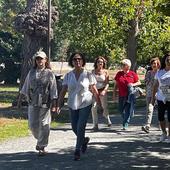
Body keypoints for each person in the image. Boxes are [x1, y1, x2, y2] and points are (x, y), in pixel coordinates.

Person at [56, 52, 102, 161]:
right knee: (74, 127)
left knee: (81, 126)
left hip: (85, 102)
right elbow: (63, 91)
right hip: (72, 103)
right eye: (75, 59)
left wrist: (99, 104)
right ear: (72, 62)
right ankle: (84, 140)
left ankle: (77, 150)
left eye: (79, 59)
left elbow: (94, 90)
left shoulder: (88, 75)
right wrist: (59, 104)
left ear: (83, 61)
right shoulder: (68, 75)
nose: (77, 61)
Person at [20, 50, 58, 156]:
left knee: (44, 124)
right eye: (37, 59)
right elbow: (26, 87)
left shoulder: (49, 73)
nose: (39, 61)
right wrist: (23, 98)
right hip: (33, 102)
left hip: (45, 103)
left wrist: (54, 104)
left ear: (45, 60)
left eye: (41, 59)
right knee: (32, 124)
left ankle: (42, 146)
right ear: (35, 61)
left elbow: (53, 89)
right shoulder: (31, 72)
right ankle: (40, 139)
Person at [113, 59, 141, 130]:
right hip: (121, 94)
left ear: (128, 66)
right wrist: (114, 94)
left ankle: (125, 123)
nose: (122, 66)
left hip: (129, 95)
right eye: (122, 65)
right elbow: (115, 85)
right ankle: (126, 118)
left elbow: (139, 82)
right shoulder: (119, 73)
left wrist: (133, 84)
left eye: (123, 65)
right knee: (120, 109)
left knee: (127, 109)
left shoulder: (132, 74)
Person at [151, 53, 170, 142]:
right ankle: (164, 133)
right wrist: (152, 98)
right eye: (167, 59)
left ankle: (169, 135)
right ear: (165, 61)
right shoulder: (159, 72)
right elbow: (155, 86)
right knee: (160, 117)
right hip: (160, 98)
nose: (169, 61)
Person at [91, 56, 112, 130]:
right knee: (94, 107)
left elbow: (107, 83)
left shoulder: (105, 72)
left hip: (103, 91)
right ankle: (95, 124)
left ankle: (107, 118)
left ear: (103, 64)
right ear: (96, 63)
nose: (100, 63)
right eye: (98, 62)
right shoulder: (93, 71)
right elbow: (91, 82)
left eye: (101, 62)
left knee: (104, 107)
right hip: (94, 91)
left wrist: (104, 91)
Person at [141, 57, 160, 133]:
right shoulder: (149, 73)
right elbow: (146, 82)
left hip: (159, 94)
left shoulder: (160, 73)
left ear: (158, 64)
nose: (155, 65)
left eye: (156, 63)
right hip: (150, 94)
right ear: (151, 65)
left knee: (160, 110)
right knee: (149, 109)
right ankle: (148, 125)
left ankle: (160, 124)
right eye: (153, 63)